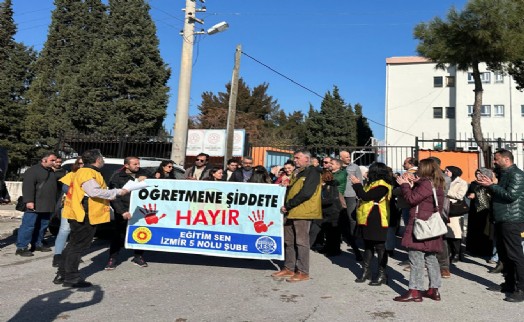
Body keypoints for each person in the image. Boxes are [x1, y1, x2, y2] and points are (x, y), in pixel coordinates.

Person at [54, 149, 129, 288]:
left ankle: (62, 273)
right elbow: (94, 192)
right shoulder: (88, 172)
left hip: (79, 212)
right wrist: (118, 192)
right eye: (102, 158)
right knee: (77, 246)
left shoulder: (83, 171)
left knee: (73, 245)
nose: (103, 160)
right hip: (85, 214)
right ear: (97, 160)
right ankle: (71, 277)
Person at [394, 158, 445, 302]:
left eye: (420, 167)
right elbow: (422, 198)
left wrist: (405, 185)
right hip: (431, 227)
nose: (417, 169)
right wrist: (413, 184)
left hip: (421, 226)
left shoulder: (426, 184)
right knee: (431, 258)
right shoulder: (436, 183)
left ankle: (414, 291)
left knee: (416, 259)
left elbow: (411, 199)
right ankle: (433, 290)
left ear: (425, 169)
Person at [477, 149, 524, 303]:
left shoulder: (516, 174)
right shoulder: (504, 174)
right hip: (501, 219)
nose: (494, 162)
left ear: (506, 159)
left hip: (513, 220)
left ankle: (521, 288)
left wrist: (492, 186)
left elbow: (510, 196)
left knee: (515, 255)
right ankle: (509, 284)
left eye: (496, 159)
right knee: (504, 255)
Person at [271, 149, 321, 282]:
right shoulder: (296, 172)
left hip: (302, 211)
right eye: (295, 158)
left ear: (306, 158)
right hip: (290, 211)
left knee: (301, 242)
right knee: (289, 241)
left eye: (298, 157)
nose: (295, 160)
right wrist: (286, 184)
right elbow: (294, 188)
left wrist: (289, 205)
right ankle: (289, 267)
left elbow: (306, 193)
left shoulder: (313, 172)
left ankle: (303, 271)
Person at [351, 162, 393, 286]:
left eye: (370, 170)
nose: (368, 173)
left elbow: (366, 196)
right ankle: (366, 271)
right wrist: (359, 185)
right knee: (368, 245)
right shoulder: (372, 183)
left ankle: (382, 274)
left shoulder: (383, 185)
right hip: (367, 217)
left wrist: (357, 185)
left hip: (378, 218)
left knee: (379, 247)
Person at [105, 157, 149, 270]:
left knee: (141, 232)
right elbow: (114, 196)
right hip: (124, 209)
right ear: (126, 165)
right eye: (135, 164)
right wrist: (122, 211)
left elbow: (157, 182)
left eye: (138, 164)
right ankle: (112, 258)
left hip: (140, 210)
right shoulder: (117, 176)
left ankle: (138, 256)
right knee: (118, 235)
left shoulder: (144, 173)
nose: (138, 166)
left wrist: (148, 179)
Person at [15, 152, 58, 257]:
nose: (54, 162)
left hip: (47, 205)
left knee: (42, 226)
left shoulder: (51, 171)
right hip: (34, 204)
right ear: (44, 160)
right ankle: (21, 247)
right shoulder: (33, 171)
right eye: (52, 160)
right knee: (28, 226)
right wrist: (29, 201)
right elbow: (28, 187)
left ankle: (37, 243)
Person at [53, 157, 84, 267]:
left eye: (84, 163)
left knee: (76, 231)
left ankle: (72, 255)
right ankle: (58, 256)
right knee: (64, 230)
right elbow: (65, 188)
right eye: (79, 163)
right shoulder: (71, 174)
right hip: (68, 205)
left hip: (82, 207)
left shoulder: (92, 176)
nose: (82, 165)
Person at [466, 168, 497, 263]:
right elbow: (468, 193)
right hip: (475, 210)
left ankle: (486, 251)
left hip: (486, 210)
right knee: (475, 229)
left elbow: (492, 195)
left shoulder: (490, 184)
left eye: (480, 174)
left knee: (486, 230)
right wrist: (470, 195)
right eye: (477, 173)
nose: (478, 175)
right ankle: (474, 250)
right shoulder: (474, 183)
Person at [428, 156, 452, 279]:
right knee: (422, 236)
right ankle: (423, 263)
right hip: (425, 210)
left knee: (440, 238)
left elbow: (436, 189)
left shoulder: (445, 178)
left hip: (439, 212)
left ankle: (444, 267)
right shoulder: (425, 177)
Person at [339, 150, 363, 261]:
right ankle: (341, 236)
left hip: (351, 195)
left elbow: (360, 181)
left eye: (349, 156)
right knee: (339, 217)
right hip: (340, 195)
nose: (349, 158)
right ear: (341, 157)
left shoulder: (355, 167)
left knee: (352, 217)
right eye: (347, 157)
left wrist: (359, 193)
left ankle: (353, 237)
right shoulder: (338, 167)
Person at [444, 166, 468, 263]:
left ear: (453, 172)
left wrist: (446, 192)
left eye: (447, 171)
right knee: (446, 233)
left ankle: (456, 253)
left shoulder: (462, 183)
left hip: (455, 209)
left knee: (456, 234)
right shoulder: (444, 180)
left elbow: (459, 195)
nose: (445, 172)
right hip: (445, 208)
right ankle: (448, 253)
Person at [316, 170, 342, 256]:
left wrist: (318, 202)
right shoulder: (325, 186)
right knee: (328, 232)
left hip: (333, 211)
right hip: (327, 211)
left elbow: (332, 199)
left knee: (333, 233)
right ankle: (328, 247)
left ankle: (334, 250)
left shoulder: (331, 186)